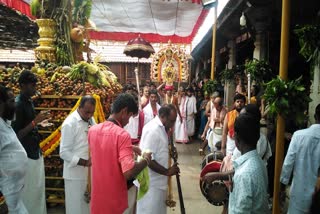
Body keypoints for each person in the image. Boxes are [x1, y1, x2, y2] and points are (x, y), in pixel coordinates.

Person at [88, 93, 152, 214]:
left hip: (98, 197)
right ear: (124, 111)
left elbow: (104, 149)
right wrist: (146, 160)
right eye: (130, 116)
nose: (128, 122)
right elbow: (128, 172)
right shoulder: (122, 135)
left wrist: (129, 147)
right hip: (114, 199)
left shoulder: (93, 130)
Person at [12, 70, 49, 214]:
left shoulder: (28, 102)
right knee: (29, 192)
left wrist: (39, 124)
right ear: (22, 85)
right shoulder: (17, 105)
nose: (35, 88)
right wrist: (35, 122)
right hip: (25, 156)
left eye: (35, 85)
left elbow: (28, 126)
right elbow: (16, 134)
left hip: (34, 152)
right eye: (32, 85)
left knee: (37, 190)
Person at [137, 104, 180, 214]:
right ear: (163, 116)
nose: (173, 124)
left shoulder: (164, 128)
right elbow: (147, 159)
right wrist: (167, 171)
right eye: (172, 121)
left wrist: (171, 150)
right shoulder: (153, 130)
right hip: (151, 184)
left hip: (159, 182)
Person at [280, 104, 320, 214]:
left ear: (315, 116)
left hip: (299, 195)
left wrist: (282, 187)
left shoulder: (298, 136)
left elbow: (288, 164)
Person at [59, 95, 96, 214]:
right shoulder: (69, 123)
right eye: (87, 112)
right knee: (75, 208)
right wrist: (84, 162)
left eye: (92, 112)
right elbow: (64, 152)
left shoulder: (91, 119)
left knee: (87, 208)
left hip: (89, 174)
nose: (90, 115)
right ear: (79, 108)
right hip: (74, 175)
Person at [0, 85, 28, 214]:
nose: (15, 105)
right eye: (11, 101)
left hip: (13, 189)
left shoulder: (5, 123)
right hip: (7, 189)